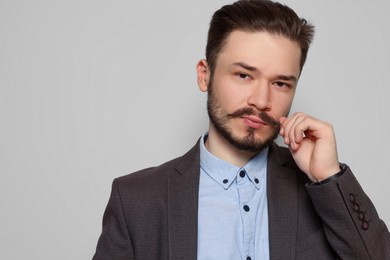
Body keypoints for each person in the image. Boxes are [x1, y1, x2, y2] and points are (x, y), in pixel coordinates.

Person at [93, 0, 390, 259]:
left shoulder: (322, 191)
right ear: (205, 75)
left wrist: (329, 177)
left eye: (281, 83)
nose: (261, 101)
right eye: (244, 75)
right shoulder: (136, 199)